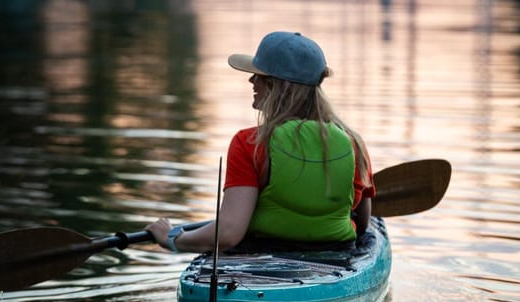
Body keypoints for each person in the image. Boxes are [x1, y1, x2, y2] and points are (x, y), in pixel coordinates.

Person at [145, 31, 375, 253]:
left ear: (277, 86)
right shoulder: (353, 143)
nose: (251, 80)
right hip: (336, 259)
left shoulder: (250, 143)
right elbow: (364, 224)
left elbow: (228, 233)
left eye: (260, 76)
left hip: (261, 259)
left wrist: (174, 239)